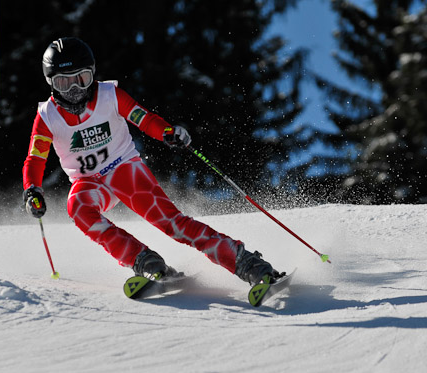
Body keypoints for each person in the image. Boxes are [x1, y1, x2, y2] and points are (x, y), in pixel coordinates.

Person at [22, 37, 279, 285]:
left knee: (171, 224)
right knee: (77, 206)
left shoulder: (110, 95)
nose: (75, 90)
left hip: (124, 170)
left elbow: (143, 118)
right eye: (64, 83)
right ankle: (144, 261)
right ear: (51, 84)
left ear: (92, 74)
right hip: (89, 183)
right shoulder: (47, 116)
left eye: (81, 79)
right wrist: (32, 189)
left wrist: (167, 133)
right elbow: (35, 158)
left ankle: (245, 263)